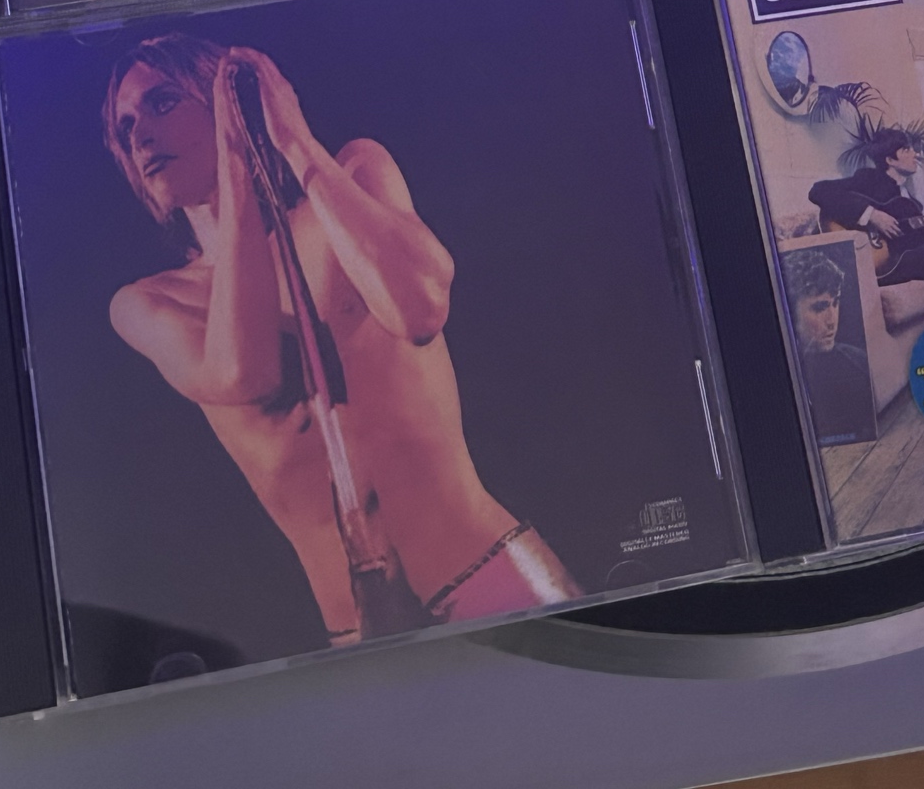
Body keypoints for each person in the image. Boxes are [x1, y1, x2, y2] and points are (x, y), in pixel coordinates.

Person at [103, 34, 579, 640]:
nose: (140, 136)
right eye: (125, 127)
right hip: (360, 632)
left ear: (230, 100)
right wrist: (234, 166)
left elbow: (419, 309)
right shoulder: (151, 302)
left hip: (487, 571)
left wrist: (292, 141)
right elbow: (245, 372)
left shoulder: (351, 178)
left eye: (162, 103)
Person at [808, 127, 924, 311]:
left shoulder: (908, 197)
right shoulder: (869, 179)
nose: (915, 154)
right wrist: (872, 215)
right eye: (906, 150)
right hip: (879, 265)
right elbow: (819, 190)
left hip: (902, 254)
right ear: (890, 160)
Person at [782, 248, 876, 444]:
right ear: (790, 310)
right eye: (820, 308)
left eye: (835, 303)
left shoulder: (859, 362)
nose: (832, 320)